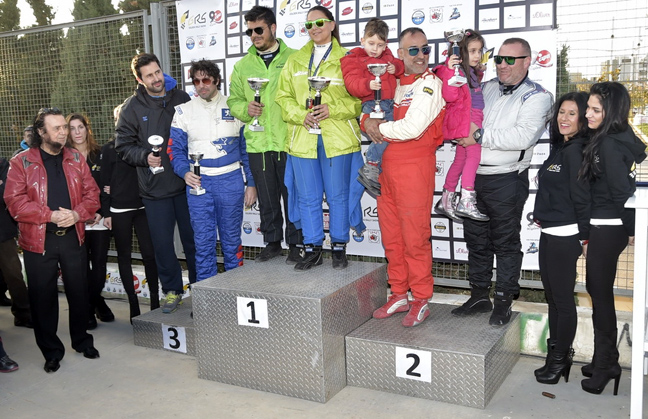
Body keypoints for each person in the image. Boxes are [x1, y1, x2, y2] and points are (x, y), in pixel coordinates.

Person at [451, 37, 553, 326]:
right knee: (476, 241)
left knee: (505, 243)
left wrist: (478, 136)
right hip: (472, 179)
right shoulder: (484, 88)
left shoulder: (538, 96)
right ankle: (479, 295)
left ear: (527, 61)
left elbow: (522, 136)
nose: (502, 65)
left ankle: (504, 301)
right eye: (498, 59)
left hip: (507, 179)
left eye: (510, 59)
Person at [4, 107, 101, 373]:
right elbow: (14, 203)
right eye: (56, 128)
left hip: (72, 237)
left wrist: (77, 214)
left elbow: (92, 195)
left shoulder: (76, 158)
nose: (63, 132)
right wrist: (50, 215)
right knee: (42, 299)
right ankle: (51, 352)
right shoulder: (21, 162)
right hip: (39, 242)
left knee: (79, 293)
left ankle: (82, 341)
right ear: (41, 132)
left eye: (64, 127)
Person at [363, 27, 445, 327]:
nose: (421, 55)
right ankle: (398, 293)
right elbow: (368, 111)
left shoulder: (431, 84)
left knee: (414, 239)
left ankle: (420, 298)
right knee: (392, 238)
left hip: (415, 169)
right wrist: (365, 121)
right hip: (386, 170)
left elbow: (412, 128)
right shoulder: (392, 82)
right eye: (413, 50)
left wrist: (376, 128)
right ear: (399, 53)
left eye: (425, 49)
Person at [275, 5, 364, 271]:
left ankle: (339, 246)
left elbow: (359, 101)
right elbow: (282, 97)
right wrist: (301, 115)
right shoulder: (295, 60)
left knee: (338, 196)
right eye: (309, 25)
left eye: (320, 23)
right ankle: (312, 248)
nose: (314, 28)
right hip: (303, 138)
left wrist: (331, 109)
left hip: (337, 138)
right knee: (307, 197)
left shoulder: (348, 58)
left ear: (332, 24)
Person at [116, 53, 197, 314]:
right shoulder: (131, 108)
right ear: (140, 80)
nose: (156, 79)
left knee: (194, 242)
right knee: (162, 246)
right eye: (149, 75)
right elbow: (123, 145)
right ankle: (172, 291)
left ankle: (201, 290)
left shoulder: (181, 98)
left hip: (187, 185)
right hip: (154, 190)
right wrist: (145, 157)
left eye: (158, 72)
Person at [579, 82, 646, 395]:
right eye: (588, 108)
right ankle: (604, 358)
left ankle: (607, 363)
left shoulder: (608, 143)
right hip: (607, 226)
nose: (587, 114)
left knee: (600, 294)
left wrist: (632, 230)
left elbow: (621, 193)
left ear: (612, 112)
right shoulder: (615, 137)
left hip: (608, 226)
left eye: (596, 110)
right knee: (598, 291)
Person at [227, 5, 304, 264]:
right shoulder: (242, 66)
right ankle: (272, 243)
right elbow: (234, 101)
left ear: (273, 28)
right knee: (268, 197)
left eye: (258, 30)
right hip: (258, 143)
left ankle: (296, 243)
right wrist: (245, 110)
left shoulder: (294, 58)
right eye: (249, 31)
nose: (254, 36)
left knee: (292, 196)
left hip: (288, 141)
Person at [169, 59, 257, 281]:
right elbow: (175, 151)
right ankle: (207, 296)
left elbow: (247, 150)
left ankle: (235, 290)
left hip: (230, 180)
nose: (201, 85)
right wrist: (184, 172)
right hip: (199, 183)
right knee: (203, 243)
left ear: (217, 80)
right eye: (196, 81)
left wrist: (252, 183)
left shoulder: (235, 106)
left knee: (231, 241)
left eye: (206, 80)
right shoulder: (183, 111)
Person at [532, 92, 591, 384]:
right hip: (549, 232)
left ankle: (560, 360)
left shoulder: (576, 151)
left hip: (565, 236)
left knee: (563, 301)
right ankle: (555, 356)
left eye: (572, 113)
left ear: (583, 119)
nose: (564, 118)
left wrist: (585, 238)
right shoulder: (561, 147)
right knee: (553, 299)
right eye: (561, 112)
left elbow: (582, 198)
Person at [101, 104, 159, 321]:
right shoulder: (109, 149)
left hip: (143, 207)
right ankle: (133, 306)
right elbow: (104, 182)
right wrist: (107, 212)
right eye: (119, 117)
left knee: (150, 255)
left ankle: (155, 302)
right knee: (123, 256)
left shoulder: (144, 146)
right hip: (119, 210)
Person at [340, 18, 404, 197]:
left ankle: (373, 169)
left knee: (390, 135)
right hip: (371, 105)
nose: (375, 49)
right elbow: (352, 83)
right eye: (371, 43)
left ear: (386, 45)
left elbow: (401, 66)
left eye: (380, 45)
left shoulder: (388, 56)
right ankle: (371, 165)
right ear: (362, 40)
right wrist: (368, 85)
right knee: (382, 135)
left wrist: (396, 68)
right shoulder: (353, 58)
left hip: (390, 104)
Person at [433, 29, 489, 222]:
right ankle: (466, 199)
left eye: (479, 51)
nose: (477, 55)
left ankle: (446, 200)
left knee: (460, 160)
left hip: (473, 116)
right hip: (469, 118)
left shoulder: (470, 71)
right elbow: (449, 96)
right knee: (474, 156)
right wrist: (450, 70)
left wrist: (478, 72)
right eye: (472, 51)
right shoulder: (453, 71)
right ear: (460, 52)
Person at [66, 113, 114, 329]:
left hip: (99, 219)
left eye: (80, 127)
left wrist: (101, 212)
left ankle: (91, 302)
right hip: (76, 220)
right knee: (82, 266)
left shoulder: (100, 153)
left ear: (87, 128)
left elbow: (107, 186)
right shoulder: (64, 157)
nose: (77, 132)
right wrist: (80, 213)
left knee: (99, 266)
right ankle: (95, 305)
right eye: (72, 128)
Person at [0, 156, 32, 328]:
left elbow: (6, 194)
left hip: (3, 232)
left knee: (13, 273)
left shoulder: (4, 164)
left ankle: (23, 314)